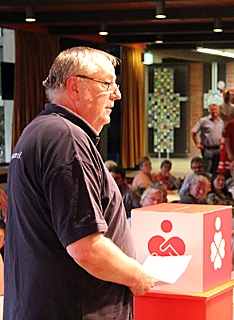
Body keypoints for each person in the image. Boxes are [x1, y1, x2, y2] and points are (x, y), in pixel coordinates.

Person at [5, 47, 155, 319]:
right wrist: (137, 276)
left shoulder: (37, 131)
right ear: (75, 86)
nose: (117, 94)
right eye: (107, 83)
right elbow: (86, 248)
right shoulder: (67, 139)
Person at [191, 104, 224, 173]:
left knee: (215, 169)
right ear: (209, 111)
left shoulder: (221, 122)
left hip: (217, 149)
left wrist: (222, 144)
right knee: (207, 168)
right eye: (212, 109)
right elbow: (193, 132)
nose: (214, 111)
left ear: (218, 111)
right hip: (207, 148)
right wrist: (197, 144)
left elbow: (223, 134)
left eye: (216, 109)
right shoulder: (203, 121)